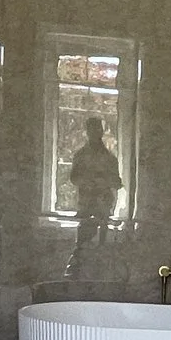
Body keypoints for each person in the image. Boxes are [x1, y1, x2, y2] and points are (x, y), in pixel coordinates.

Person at [66, 115, 122, 276]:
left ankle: (101, 274)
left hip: (103, 205)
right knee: (82, 244)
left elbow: (117, 182)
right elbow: (74, 178)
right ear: (87, 132)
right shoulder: (81, 156)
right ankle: (76, 271)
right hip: (86, 204)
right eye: (92, 129)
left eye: (98, 129)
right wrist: (88, 181)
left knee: (102, 249)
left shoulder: (109, 158)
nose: (95, 133)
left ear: (102, 131)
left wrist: (103, 181)